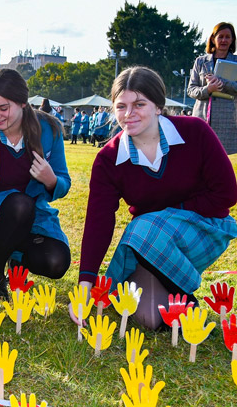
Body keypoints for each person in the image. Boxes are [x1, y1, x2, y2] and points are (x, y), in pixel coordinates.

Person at [78, 66, 237, 329]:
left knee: (144, 226)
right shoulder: (108, 159)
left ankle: (179, 284)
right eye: (121, 106)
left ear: (158, 107)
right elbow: (98, 220)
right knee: (149, 319)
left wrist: (173, 211)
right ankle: (183, 299)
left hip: (204, 228)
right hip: (150, 246)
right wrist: (86, 282)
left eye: (139, 104)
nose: (129, 114)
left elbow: (227, 193)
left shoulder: (195, 132)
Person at [0, 68, 71, 300]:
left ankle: (14, 256)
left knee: (56, 262)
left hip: (30, 215)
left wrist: (51, 180)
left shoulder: (49, 129)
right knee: (19, 204)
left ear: (23, 103)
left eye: (3, 108)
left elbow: (63, 181)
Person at [188, 22, 237, 154]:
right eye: (220, 36)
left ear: (232, 40)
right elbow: (191, 90)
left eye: (227, 37)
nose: (224, 40)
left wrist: (222, 82)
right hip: (202, 118)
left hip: (229, 122)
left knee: (227, 163)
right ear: (213, 38)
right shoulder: (200, 61)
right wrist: (208, 89)